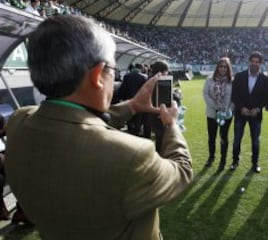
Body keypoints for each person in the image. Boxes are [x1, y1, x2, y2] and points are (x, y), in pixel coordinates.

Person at [5, 15, 192, 240]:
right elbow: (181, 171)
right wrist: (171, 124)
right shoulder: (132, 155)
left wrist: (132, 106)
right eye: (112, 69)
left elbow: (74, 123)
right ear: (97, 75)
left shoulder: (18, 122)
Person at [230, 51, 267, 173]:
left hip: (256, 115)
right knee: (237, 140)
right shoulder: (240, 76)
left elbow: (266, 97)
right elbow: (234, 94)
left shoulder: (264, 79)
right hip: (241, 114)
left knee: (255, 141)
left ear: (260, 64)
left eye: (257, 62)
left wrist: (258, 108)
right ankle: (235, 161)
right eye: (253, 61)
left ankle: (255, 164)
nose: (254, 64)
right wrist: (241, 108)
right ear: (249, 62)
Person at [203, 57, 233, 172]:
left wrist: (228, 110)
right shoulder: (210, 79)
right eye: (221, 66)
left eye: (225, 67)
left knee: (224, 137)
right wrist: (216, 107)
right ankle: (211, 157)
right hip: (212, 113)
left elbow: (234, 98)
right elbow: (205, 94)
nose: (222, 69)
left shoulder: (232, 81)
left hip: (226, 114)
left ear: (228, 68)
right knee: (212, 137)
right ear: (217, 67)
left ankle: (223, 160)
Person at [119, 63, 148, 136]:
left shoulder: (126, 76)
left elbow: (123, 89)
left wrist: (121, 98)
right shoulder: (143, 77)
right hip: (139, 101)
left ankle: (130, 131)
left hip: (128, 100)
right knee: (137, 118)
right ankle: (136, 132)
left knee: (129, 117)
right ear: (141, 69)